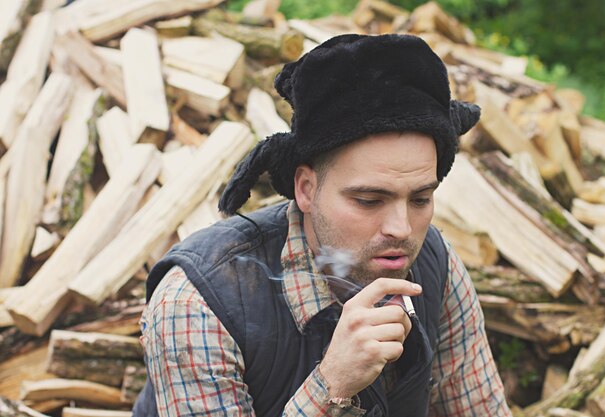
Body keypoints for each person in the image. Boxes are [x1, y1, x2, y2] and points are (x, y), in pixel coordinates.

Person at [133, 34, 512, 416]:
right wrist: (332, 385)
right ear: (306, 189)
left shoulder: (434, 265)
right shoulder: (199, 303)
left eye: (420, 199)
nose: (401, 228)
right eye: (369, 200)